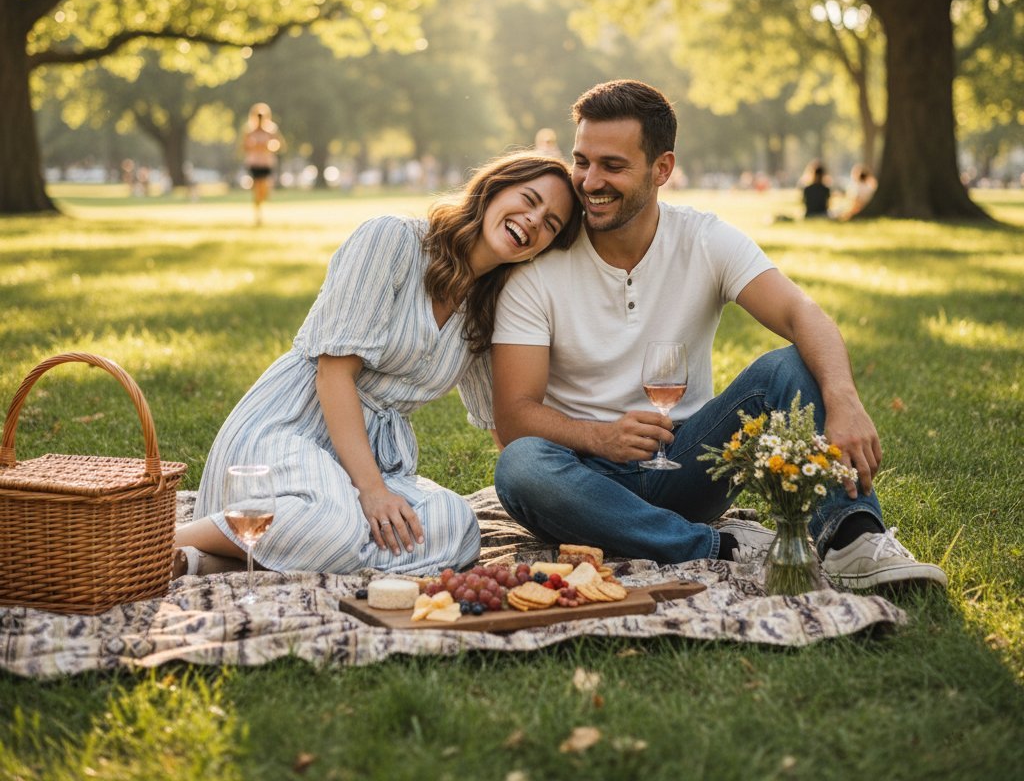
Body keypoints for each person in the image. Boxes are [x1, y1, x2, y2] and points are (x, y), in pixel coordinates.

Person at [491, 80, 946, 590]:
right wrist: (602, 437)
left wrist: (843, 399)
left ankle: (853, 538)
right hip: (581, 478)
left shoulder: (703, 239)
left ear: (662, 169)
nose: (589, 181)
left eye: (612, 166)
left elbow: (802, 313)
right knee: (520, 465)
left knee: (790, 364)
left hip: (689, 463)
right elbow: (514, 416)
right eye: (582, 161)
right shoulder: (537, 265)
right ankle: (713, 546)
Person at [173, 152, 582, 579]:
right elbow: (332, 374)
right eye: (529, 199)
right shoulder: (393, 241)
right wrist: (371, 491)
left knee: (456, 527)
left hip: (374, 460)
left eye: (551, 223)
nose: (535, 220)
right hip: (291, 427)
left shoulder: (490, 308)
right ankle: (165, 541)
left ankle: (211, 560)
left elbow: (502, 423)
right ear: (493, 190)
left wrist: (551, 492)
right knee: (337, 525)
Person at [242, 102, 283, 225]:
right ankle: (258, 215)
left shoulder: (271, 130)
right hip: (254, 162)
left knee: (263, 189)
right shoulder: (249, 130)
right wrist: (253, 146)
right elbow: (244, 146)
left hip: (266, 162)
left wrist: (268, 146)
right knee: (257, 188)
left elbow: (278, 144)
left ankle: (263, 198)